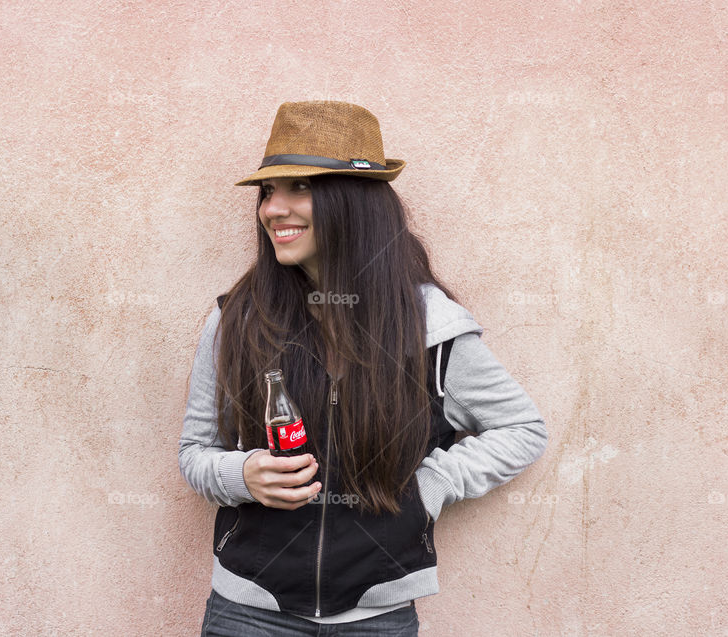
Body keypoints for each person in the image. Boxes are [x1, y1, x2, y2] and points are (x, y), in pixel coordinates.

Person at [178, 100, 548, 636]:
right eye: (267, 192)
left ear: (354, 202)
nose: (272, 209)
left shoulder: (429, 327)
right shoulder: (236, 321)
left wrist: (434, 482)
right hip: (249, 611)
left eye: (299, 188)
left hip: (378, 617)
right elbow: (195, 454)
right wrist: (241, 475)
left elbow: (522, 428)